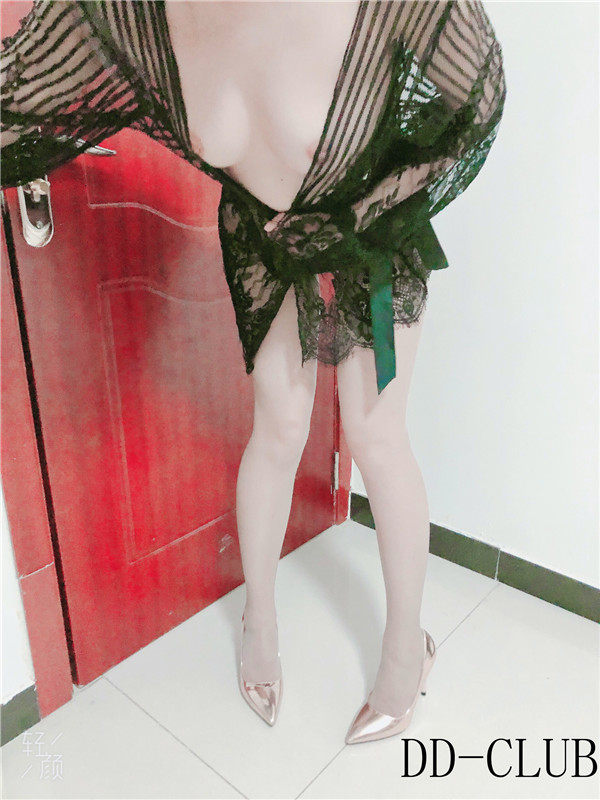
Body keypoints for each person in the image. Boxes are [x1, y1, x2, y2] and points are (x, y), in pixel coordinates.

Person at [1, 0, 507, 743]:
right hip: (262, 238)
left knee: (376, 436)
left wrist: (374, 204)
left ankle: (408, 650)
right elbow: (16, 101)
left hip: (370, 238)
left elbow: (478, 101)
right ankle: (258, 621)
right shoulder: (130, 13)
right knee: (277, 427)